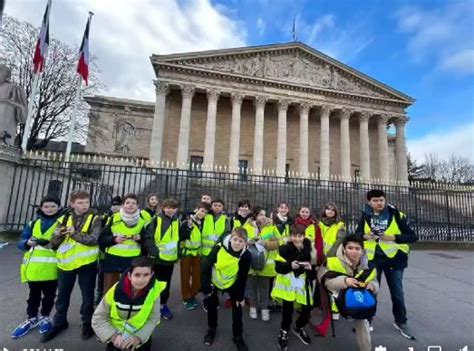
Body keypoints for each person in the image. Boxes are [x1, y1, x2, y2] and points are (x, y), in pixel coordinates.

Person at [355, 189, 418, 339]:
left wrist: (393, 237)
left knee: (396, 291)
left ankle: (401, 321)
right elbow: (356, 235)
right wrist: (365, 236)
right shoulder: (365, 217)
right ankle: (367, 319)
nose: (379, 203)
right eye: (375, 200)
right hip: (372, 258)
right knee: (370, 290)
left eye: (381, 200)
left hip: (394, 258)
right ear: (369, 202)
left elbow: (412, 236)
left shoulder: (397, 215)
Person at [41, 190, 102, 342]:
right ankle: (59, 323)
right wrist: (57, 234)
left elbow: (94, 239)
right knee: (62, 296)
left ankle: (87, 323)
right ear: (72, 204)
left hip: (86, 264)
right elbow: (53, 243)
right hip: (65, 264)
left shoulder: (95, 218)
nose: (84, 206)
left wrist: (74, 233)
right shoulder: (64, 217)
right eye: (80, 203)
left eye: (86, 202)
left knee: (87, 297)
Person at [11, 196, 62, 339]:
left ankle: (45, 317)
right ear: (41, 208)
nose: (50, 209)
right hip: (33, 268)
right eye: (46, 206)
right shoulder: (33, 223)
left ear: (59, 207)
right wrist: (26, 242)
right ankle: (31, 318)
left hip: (52, 268)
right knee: (33, 296)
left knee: (49, 296)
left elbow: (60, 243)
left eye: (53, 206)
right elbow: (22, 240)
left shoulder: (62, 223)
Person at [318, 234, 379, 351]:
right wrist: (345, 281)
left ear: (362, 251)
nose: (354, 252)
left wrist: (372, 286)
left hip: (357, 298)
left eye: (357, 249)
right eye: (350, 248)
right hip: (336, 296)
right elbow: (326, 281)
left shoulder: (369, 266)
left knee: (362, 320)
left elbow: (375, 282)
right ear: (344, 249)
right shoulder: (332, 262)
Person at [92, 257, 166, 351]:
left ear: (151, 275)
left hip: (140, 339)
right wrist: (113, 336)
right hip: (116, 339)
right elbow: (98, 317)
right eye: (137, 275)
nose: (141, 280)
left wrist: (138, 338)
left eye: (146, 275)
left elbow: (153, 319)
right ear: (130, 275)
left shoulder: (154, 293)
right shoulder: (115, 291)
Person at [201, 227, 251, 351]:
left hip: (233, 284)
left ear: (245, 243)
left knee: (238, 310)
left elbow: (243, 277)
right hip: (215, 281)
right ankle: (211, 329)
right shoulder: (218, 248)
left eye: (241, 241)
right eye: (235, 239)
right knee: (212, 307)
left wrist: (240, 297)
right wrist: (206, 287)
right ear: (230, 239)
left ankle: (237, 336)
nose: (237, 243)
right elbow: (206, 266)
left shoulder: (246, 255)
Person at [272, 224, 314, 350]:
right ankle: (284, 331)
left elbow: (313, 271)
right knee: (287, 310)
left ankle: (298, 327)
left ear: (304, 236)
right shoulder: (284, 249)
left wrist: (310, 268)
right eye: (294, 236)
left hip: (302, 285)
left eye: (300, 236)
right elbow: (278, 268)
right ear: (291, 236)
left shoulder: (309, 249)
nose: (297, 239)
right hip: (287, 285)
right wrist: (291, 265)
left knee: (307, 309)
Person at [143, 197, 185, 321]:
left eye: (173, 208)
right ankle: (150, 308)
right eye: (168, 208)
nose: (170, 210)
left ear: (177, 209)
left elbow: (177, 239)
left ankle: (162, 306)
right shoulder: (156, 220)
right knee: (153, 285)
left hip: (169, 260)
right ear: (163, 208)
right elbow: (149, 238)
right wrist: (155, 253)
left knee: (166, 285)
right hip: (157, 260)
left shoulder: (177, 221)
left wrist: (177, 255)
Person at [99, 193, 147, 294]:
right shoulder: (114, 218)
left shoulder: (142, 221)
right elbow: (102, 238)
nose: (130, 205)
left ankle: (126, 309)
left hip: (132, 259)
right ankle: (108, 309)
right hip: (112, 259)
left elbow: (147, 240)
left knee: (130, 289)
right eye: (127, 203)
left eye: (133, 203)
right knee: (109, 290)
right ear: (123, 205)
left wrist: (140, 238)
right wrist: (114, 239)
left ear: (137, 206)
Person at [246, 206, 278, 321]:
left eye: (264, 214)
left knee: (264, 290)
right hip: (251, 264)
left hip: (266, 265)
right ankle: (253, 308)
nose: (263, 217)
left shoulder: (271, 227)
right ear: (255, 215)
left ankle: (265, 309)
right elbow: (241, 240)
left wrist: (265, 244)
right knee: (252, 289)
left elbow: (278, 243)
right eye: (260, 214)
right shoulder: (247, 226)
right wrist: (250, 241)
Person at [201, 199, 231, 311]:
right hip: (204, 252)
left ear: (222, 207)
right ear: (211, 206)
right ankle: (206, 298)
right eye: (215, 205)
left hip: (218, 252)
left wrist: (218, 244)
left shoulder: (225, 219)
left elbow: (227, 233)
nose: (217, 207)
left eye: (219, 205)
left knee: (215, 276)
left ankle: (215, 298)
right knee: (205, 277)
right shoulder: (206, 216)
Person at [180, 202, 209, 310]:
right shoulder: (187, 221)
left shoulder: (203, 223)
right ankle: (186, 298)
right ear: (196, 209)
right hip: (186, 253)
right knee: (185, 277)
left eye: (205, 213)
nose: (203, 214)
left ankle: (191, 295)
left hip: (197, 253)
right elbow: (181, 236)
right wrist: (188, 228)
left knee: (197, 278)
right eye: (201, 211)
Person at [95, 196, 122, 306]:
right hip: (105, 249)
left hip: (119, 249)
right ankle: (99, 293)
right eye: (114, 205)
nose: (116, 207)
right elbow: (101, 234)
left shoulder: (124, 217)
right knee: (103, 273)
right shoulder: (105, 217)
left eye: (118, 205)